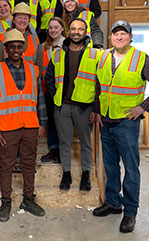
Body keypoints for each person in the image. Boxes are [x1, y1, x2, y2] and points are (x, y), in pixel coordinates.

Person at [93, 20, 149, 233]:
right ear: (110, 37)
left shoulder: (141, 59)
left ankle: (130, 212)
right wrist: (98, 111)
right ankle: (113, 203)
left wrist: (143, 107)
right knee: (110, 166)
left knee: (131, 169)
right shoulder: (103, 57)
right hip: (106, 121)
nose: (119, 37)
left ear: (130, 37)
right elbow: (99, 86)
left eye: (123, 34)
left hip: (127, 123)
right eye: (116, 34)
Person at [0, 29, 47, 222]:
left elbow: (40, 99)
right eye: (12, 46)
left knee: (29, 164)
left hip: (30, 126)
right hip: (7, 128)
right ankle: (6, 201)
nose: (15, 50)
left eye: (19, 47)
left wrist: (42, 122)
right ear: (5, 49)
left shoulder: (33, 69)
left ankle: (28, 199)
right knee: (7, 166)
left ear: (24, 48)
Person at [45, 18, 100, 191]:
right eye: (73, 29)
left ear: (85, 32)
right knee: (64, 142)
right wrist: (55, 99)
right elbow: (49, 79)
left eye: (80, 29)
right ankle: (66, 174)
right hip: (63, 107)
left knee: (85, 142)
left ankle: (85, 175)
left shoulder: (96, 54)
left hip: (85, 107)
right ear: (68, 31)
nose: (77, 32)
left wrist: (95, 108)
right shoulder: (58, 53)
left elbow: (101, 83)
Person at [36, 17, 66, 163]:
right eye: (51, 28)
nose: (53, 30)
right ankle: (53, 149)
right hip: (46, 90)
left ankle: (62, 151)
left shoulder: (67, 46)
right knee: (52, 121)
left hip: (62, 90)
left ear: (62, 28)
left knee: (62, 121)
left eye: (56, 27)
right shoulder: (42, 47)